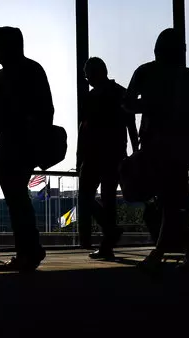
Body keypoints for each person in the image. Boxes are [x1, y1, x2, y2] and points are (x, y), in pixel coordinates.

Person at [0, 26, 53, 272]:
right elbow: (47, 111)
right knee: (19, 201)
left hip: (10, 146)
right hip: (24, 146)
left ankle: (28, 251)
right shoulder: (34, 71)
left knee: (16, 201)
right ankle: (29, 249)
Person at [123, 28, 189, 270]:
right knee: (175, 199)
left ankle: (165, 250)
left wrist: (148, 105)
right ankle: (183, 249)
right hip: (180, 144)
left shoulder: (145, 71)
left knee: (166, 199)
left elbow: (127, 103)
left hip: (155, 142)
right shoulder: (187, 75)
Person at [76, 57, 139, 259]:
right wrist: (135, 150)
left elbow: (83, 129)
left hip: (97, 154)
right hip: (113, 153)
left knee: (88, 197)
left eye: (87, 73)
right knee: (107, 198)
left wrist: (79, 156)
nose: (86, 77)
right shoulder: (119, 92)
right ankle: (108, 238)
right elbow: (131, 124)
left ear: (95, 72)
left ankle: (109, 236)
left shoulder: (91, 97)